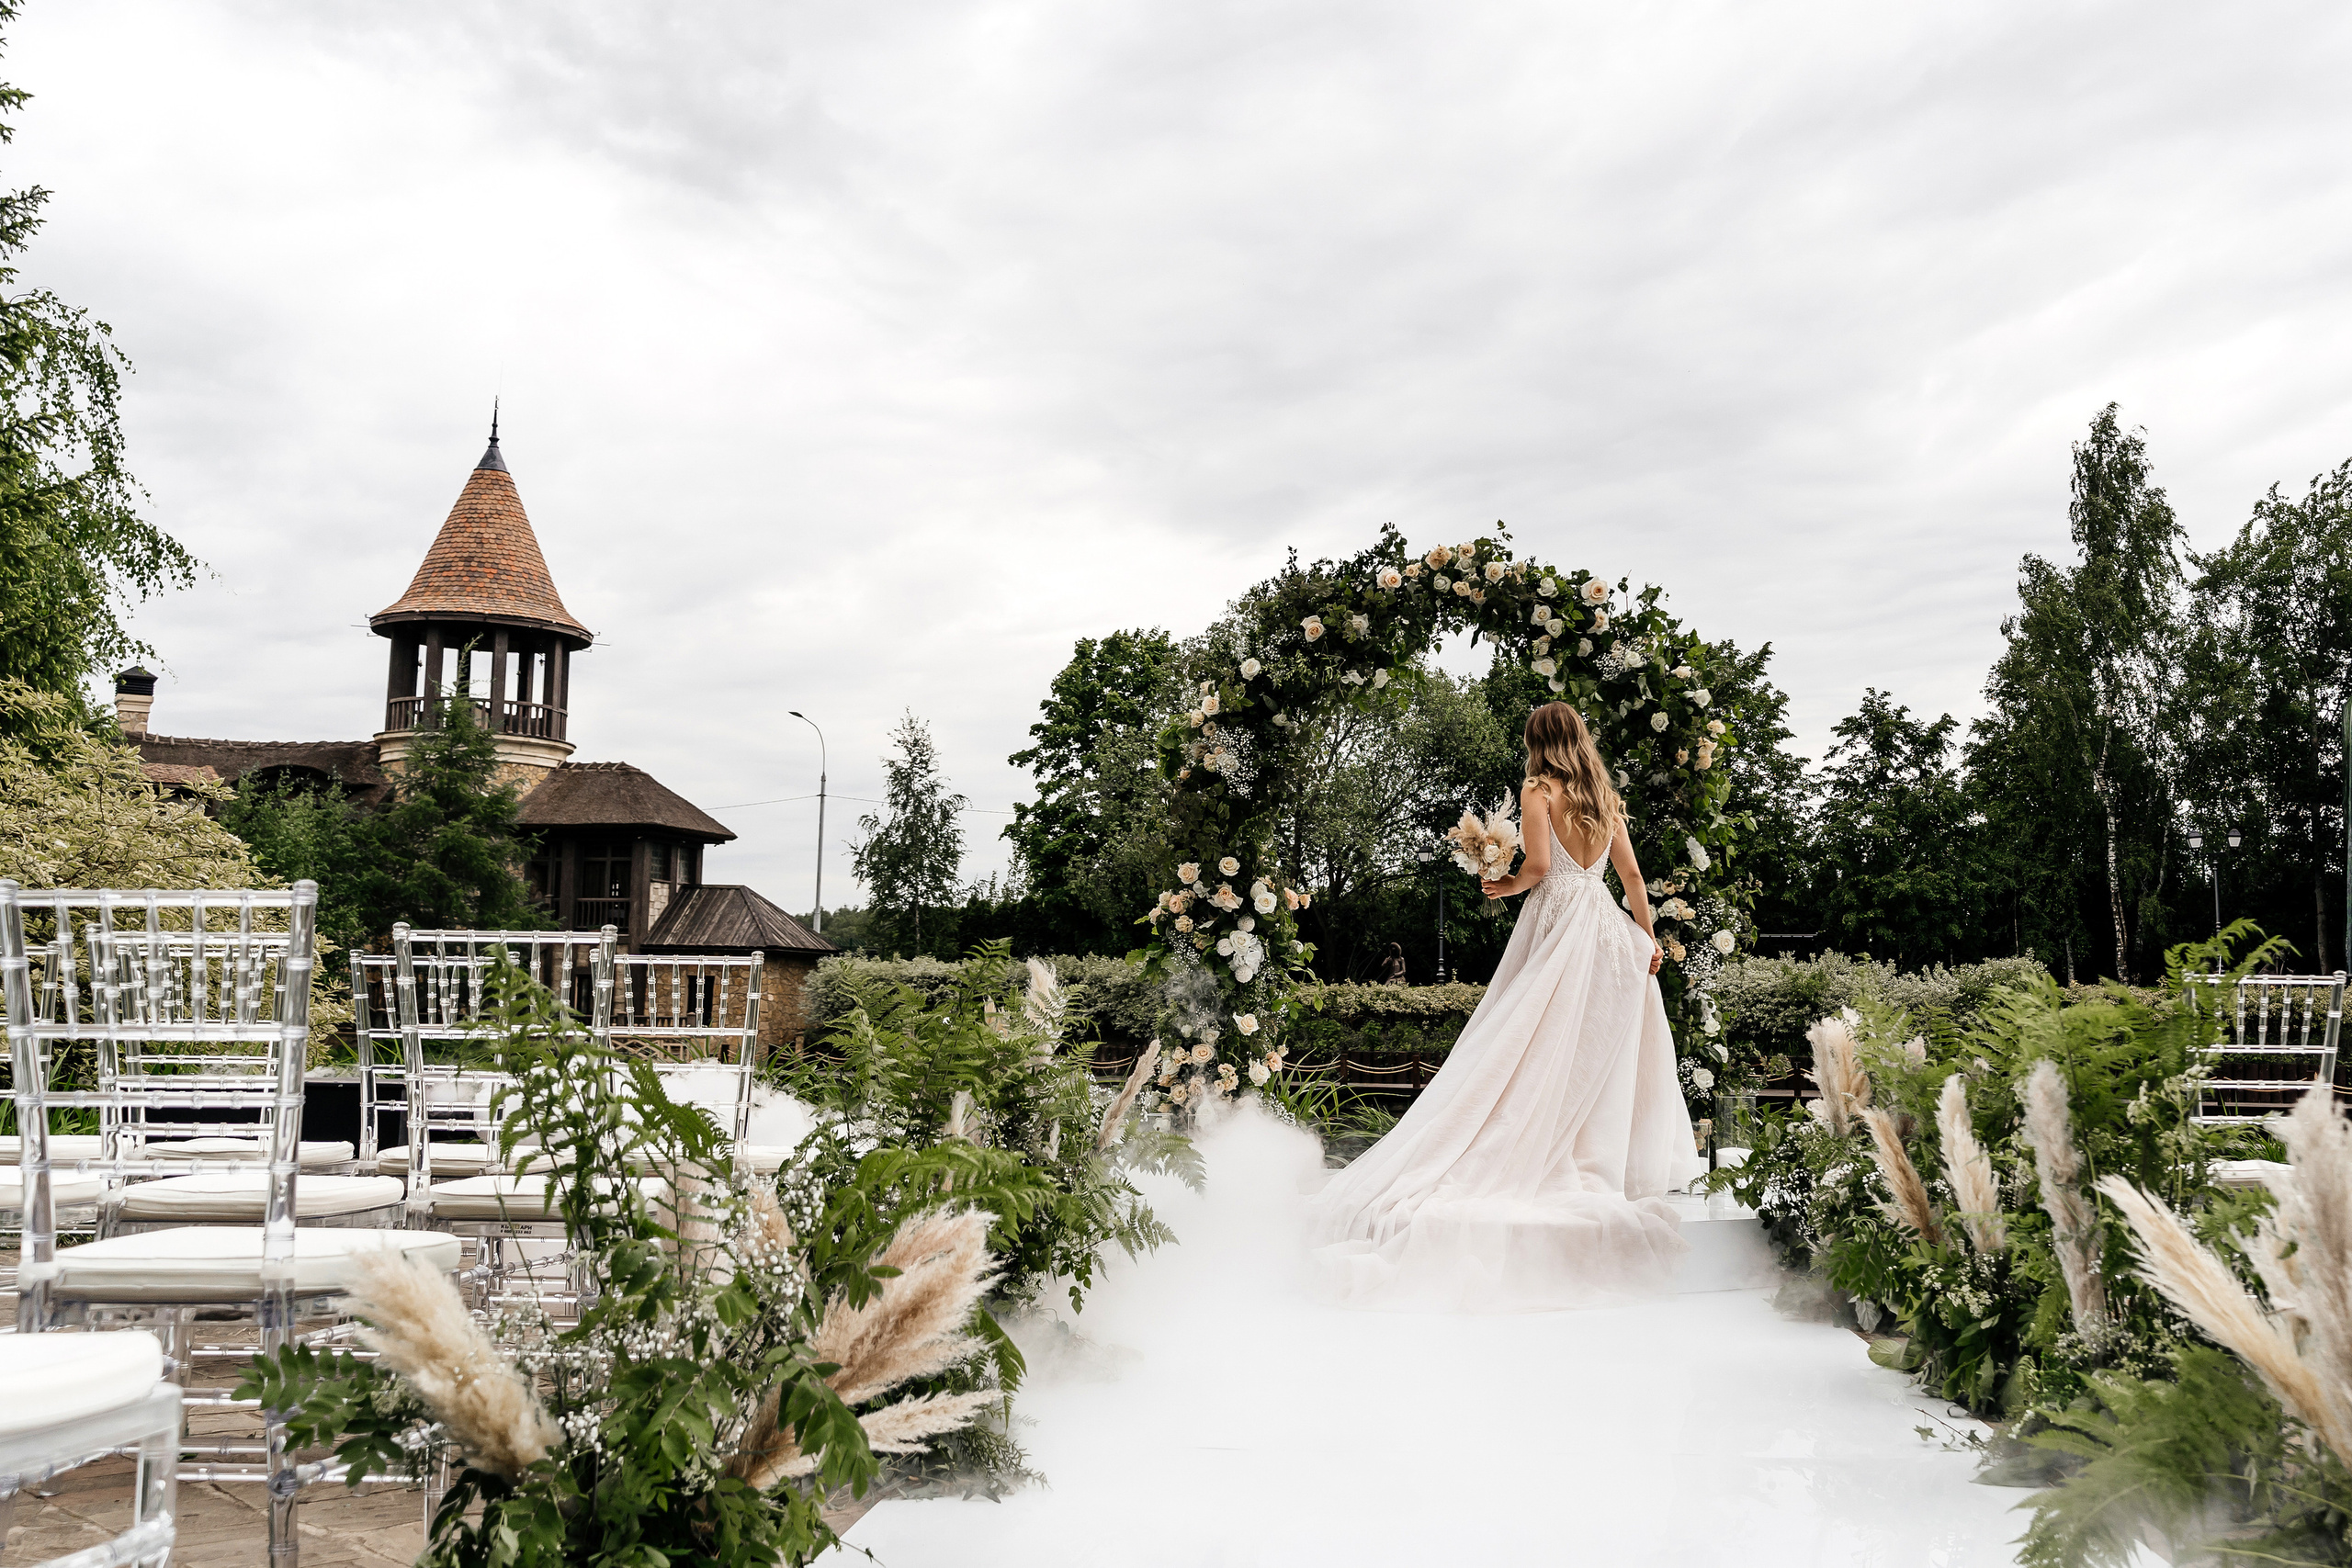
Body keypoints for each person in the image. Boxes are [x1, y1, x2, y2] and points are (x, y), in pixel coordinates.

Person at [1307, 701, 1703, 1311]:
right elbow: (1631, 878)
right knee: (1590, 1048)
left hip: (1559, 922)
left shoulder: (1539, 789)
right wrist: (1646, 939)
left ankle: (1538, 1145)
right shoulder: (1605, 795)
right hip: (1605, 928)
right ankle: (1591, 1155)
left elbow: (1541, 866)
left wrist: (1504, 884)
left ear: (1538, 742)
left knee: (1531, 1039)